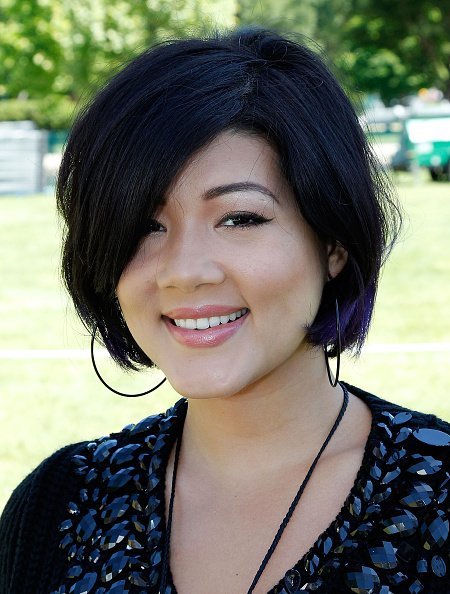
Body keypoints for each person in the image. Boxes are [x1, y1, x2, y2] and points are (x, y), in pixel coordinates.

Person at [1, 27, 449, 594]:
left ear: (332, 242)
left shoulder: (438, 501)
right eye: (146, 224)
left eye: (239, 218)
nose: (184, 269)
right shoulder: (55, 507)